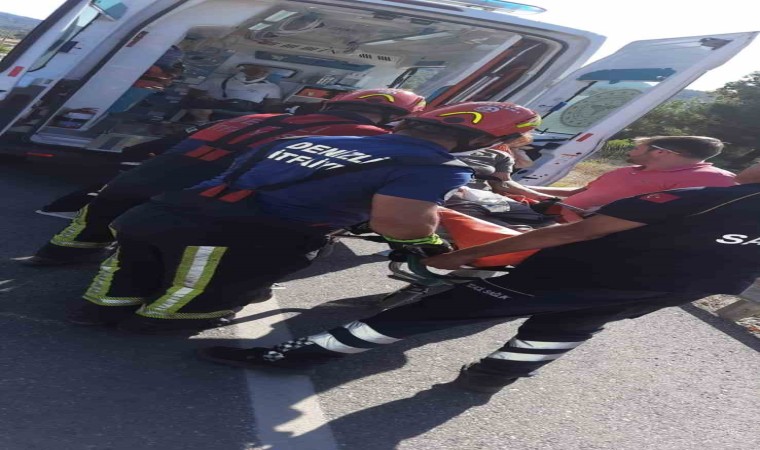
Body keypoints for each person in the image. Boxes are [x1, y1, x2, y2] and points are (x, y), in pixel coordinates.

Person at [197, 162, 760, 394]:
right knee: (569, 327)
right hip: (664, 289)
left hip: (585, 268)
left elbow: (576, 233)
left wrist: (458, 258)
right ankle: (490, 378)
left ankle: (298, 355)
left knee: (430, 312)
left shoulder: (713, 196)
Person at [71, 102, 542, 334]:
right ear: (479, 143)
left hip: (162, 211)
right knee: (200, 292)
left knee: (129, 269)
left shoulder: (314, 139)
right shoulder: (435, 166)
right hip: (236, 235)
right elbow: (399, 224)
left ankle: (100, 311)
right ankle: (162, 324)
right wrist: (429, 244)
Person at [26, 89, 427, 266]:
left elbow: (179, 138)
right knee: (160, 232)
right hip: (210, 181)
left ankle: (57, 254)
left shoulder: (263, 115)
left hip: (160, 167)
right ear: (395, 119)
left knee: (105, 209)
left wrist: (133, 158)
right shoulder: (364, 138)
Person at [527, 136, 736, 222]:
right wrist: (522, 188)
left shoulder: (713, 180)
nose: (631, 151)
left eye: (637, 148)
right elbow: (580, 192)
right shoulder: (630, 170)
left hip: (579, 233)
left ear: (661, 152)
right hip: (554, 217)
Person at [187, 64, 283, 121]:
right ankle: (201, 124)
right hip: (216, 110)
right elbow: (193, 94)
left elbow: (272, 107)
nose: (256, 74)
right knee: (201, 110)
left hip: (247, 115)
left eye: (263, 72)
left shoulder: (272, 87)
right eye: (252, 71)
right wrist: (205, 98)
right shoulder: (216, 81)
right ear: (243, 71)